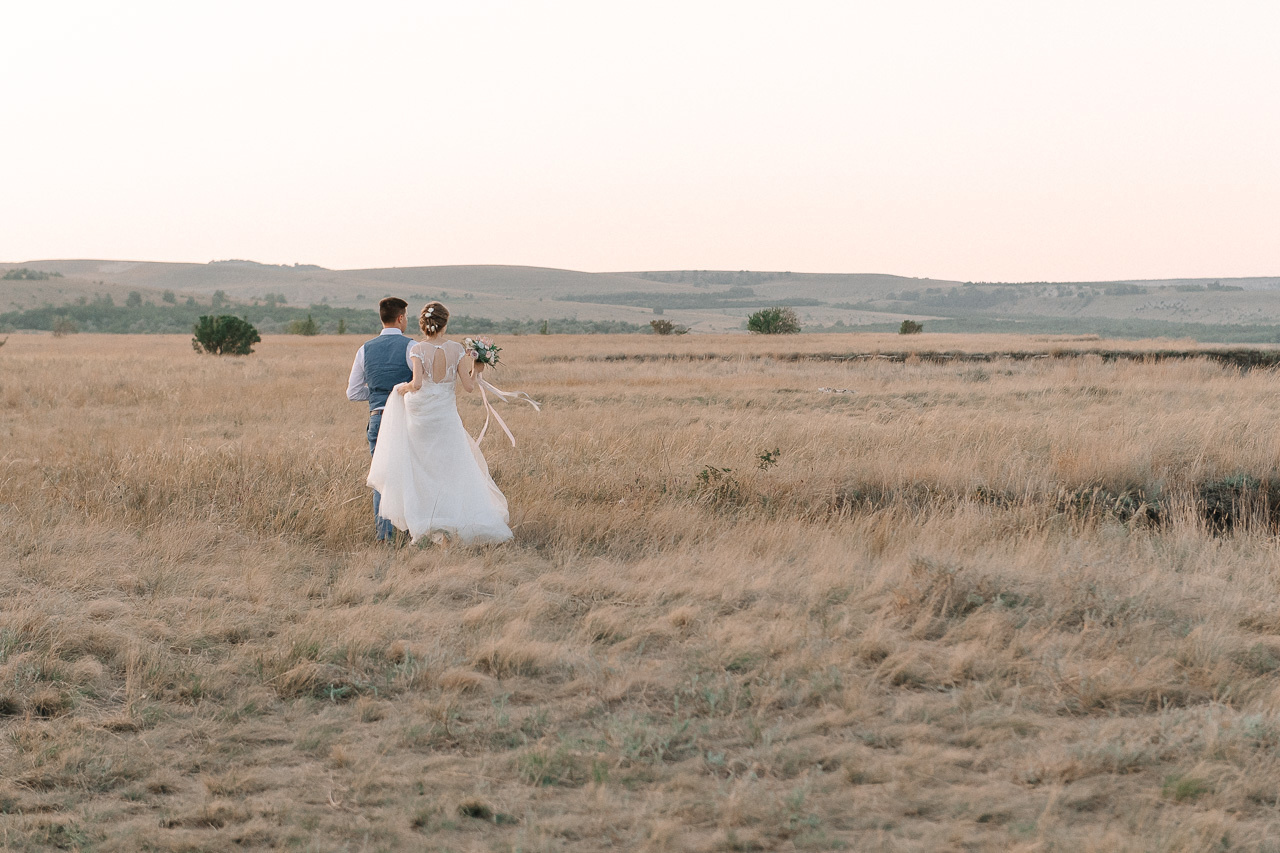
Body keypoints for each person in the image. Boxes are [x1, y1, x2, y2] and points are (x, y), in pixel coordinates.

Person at [366, 301, 514, 545]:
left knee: (424, 471)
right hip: (446, 420)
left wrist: (399, 390)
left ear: (423, 324)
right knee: (451, 471)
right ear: (445, 324)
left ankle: (430, 524)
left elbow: (417, 385)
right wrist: (478, 369)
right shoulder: (456, 350)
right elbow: (468, 387)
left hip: (422, 421)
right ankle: (453, 524)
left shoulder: (417, 350)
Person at [346, 297, 416, 541]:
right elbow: (419, 386)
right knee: (410, 475)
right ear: (400, 318)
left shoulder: (364, 349)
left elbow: (353, 393)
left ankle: (384, 537)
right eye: (406, 317)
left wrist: (377, 393)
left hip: (377, 417)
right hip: (405, 419)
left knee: (381, 479)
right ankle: (410, 534)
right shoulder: (411, 347)